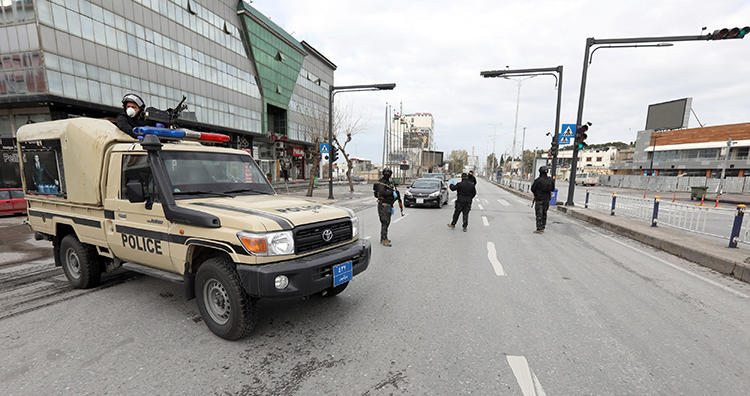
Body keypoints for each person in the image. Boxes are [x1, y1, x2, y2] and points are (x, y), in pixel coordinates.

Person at [373, 168, 402, 247]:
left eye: (389, 173)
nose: (387, 174)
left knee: (387, 222)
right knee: (385, 222)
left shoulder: (389, 183)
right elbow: (382, 192)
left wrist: (396, 196)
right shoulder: (381, 182)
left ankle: (384, 237)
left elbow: (392, 194)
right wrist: (391, 192)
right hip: (383, 205)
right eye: (386, 173)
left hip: (388, 205)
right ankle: (383, 239)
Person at [531, 166, 555, 234]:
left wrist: (536, 193)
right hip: (547, 199)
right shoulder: (550, 180)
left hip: (539, 199)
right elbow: (553, 189)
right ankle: (543, 226)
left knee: (539, 214)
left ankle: (539, 228)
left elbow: (532, 189)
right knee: (544, 213)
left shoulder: (538, 180)